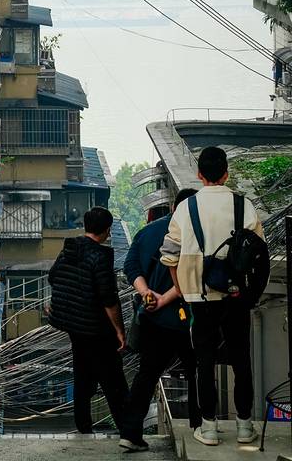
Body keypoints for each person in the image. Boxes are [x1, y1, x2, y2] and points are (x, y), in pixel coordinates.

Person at [161, 146, 264, 447]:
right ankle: (245, 427)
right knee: (241, 359)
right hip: (236, 295)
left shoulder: (185, 208)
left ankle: (208, 429)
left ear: (199, 174)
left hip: (199, 296)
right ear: (226, 173)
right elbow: (259, 251)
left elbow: (169, 255)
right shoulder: (243, 206)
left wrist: (180, 287)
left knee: (203, 361)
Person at [118, 188, 200, 452]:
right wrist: (164, 298)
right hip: (187, 319)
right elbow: (194, 276)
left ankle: (130, 433)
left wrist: (146, 294)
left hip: (153, 319)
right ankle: (201, 426)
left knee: (146, 375)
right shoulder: (196, 235)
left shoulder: (149, 232)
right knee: (198, 373)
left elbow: (131, 266)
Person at [48, 206, 128, 435]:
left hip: (74, 326)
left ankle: (84, 427)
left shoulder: (69, 249)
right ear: (107, 230)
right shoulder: (99, 257)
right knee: (114, 382)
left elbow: (53, 277)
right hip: (95, 329)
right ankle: (128, 430)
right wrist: (119, 331)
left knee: (82, 377)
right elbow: (108, 299)